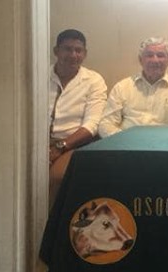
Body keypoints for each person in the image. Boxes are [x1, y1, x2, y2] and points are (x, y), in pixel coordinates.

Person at [98, 37, 168, 137]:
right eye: (149, 55)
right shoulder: (121, 88)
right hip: (126, 145)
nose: (155, 60)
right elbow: (106, 123)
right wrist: (123, 140)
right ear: (140, 60)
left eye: (160, 55)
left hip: (167, 145)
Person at [48, 29, 107, 200]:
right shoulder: (37, 75)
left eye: (78, 50)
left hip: (72, 144)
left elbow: (92, 125)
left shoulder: (93, 81)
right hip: (36, 144)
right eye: (67, 49)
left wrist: (60, 147)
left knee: (56, 178)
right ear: (56, 51)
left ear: (85, 54)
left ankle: (46, 218)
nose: (73, 55)